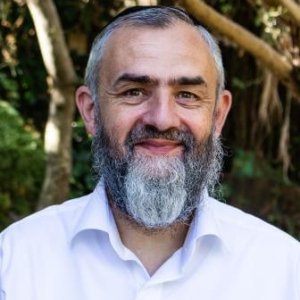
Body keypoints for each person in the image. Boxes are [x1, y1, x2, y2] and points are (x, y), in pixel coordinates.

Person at [0, 5, 299, 300]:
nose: (162, 119)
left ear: (218, 115)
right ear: (91, 112)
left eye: (187, 95)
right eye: (134, 92)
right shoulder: (15, 260)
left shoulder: (282, 269)